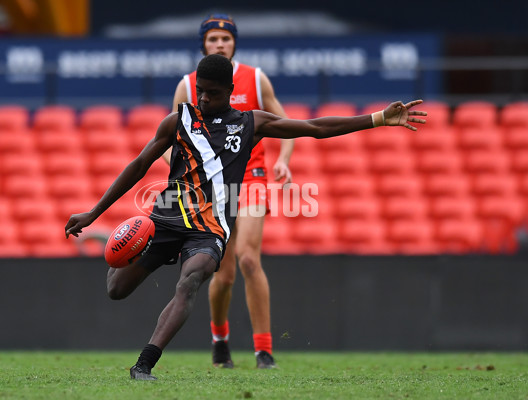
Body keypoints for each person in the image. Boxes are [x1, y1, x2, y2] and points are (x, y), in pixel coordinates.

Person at [65, 54, 427, 381]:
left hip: (210, 229)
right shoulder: (178, 121)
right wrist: (94, 212)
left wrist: (378, 118)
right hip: (166, 216)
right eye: (201, 91)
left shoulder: (251, 123)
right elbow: (139, 165)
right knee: (116, 289)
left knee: (191, 281)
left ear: (231, 91)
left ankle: (143, 365)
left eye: (214, 93)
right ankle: (127, 236)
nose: (205, 99)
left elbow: (315, 128)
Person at [165, 13, 294, 369]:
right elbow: (168, 140)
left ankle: (263, 351)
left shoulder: (255, 78)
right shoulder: (188, 87)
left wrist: (284, 158)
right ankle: (220, 341)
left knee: (250, 259)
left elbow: (284, 122)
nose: (219, 44)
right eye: (212, 39)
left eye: (225, 38)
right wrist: (182, 171)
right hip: (212, 186)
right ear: (203, 45)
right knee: (223, 274)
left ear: (234, 42)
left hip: (251, 176)